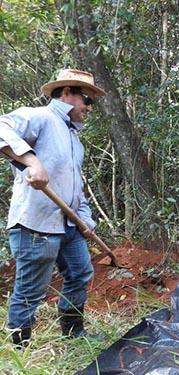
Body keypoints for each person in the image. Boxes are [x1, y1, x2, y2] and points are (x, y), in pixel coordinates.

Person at [0, 69, 106, 347]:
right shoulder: (42, 118)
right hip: (37, 226)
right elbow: (1, 127)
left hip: (67, 226)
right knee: (30, 290)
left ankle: (73, 333)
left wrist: (86, 220)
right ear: (67, 93)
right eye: (87, 99)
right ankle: (20, 351)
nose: (90, 108)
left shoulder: (74, 138)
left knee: (80, 272)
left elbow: (74, 189)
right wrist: (32, 163)